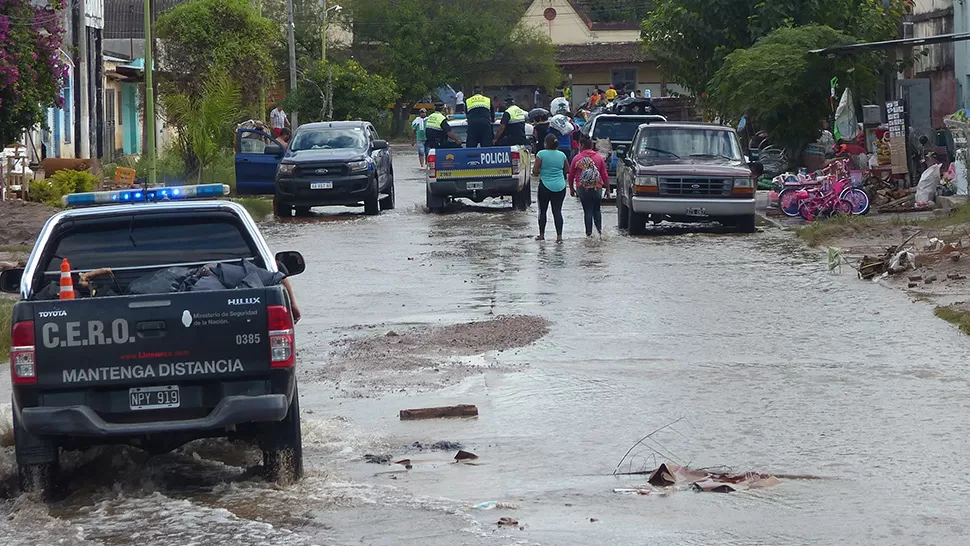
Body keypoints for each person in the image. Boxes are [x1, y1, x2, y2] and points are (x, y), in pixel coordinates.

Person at [569, 135, 610, 238]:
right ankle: (600, 234)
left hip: (582, 188)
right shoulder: (599, 158)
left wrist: (571, 188)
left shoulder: (577, 158)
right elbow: (604, 175)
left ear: (581, 145)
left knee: (587, 210)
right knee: (597, 210)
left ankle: (589, 235)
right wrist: (608, 190)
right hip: (597, 187)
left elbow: (571, 175)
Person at [532, 134, 569, 242]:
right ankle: (559, 236)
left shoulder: (541, 154)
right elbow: (568, 169)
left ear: (545, 143)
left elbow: (535, 171)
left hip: (545, 186)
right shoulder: (562, 155)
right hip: (560, 186)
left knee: (543, 211)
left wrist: (540, 172)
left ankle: (542, 235)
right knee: (557, 211)